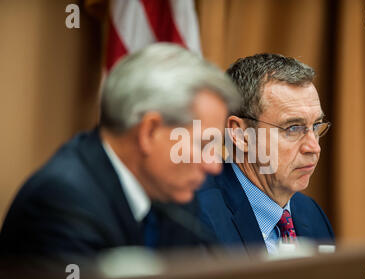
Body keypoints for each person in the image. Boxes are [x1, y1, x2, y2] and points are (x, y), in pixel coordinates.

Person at [0, 43, 240, 262]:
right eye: (203, 145)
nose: (214, 166)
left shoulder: (173, 193)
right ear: (149, 131)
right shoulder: (62, 202)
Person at [196, 53, 335, 256]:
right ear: (240, 134)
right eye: (293, 128)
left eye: (315, 126)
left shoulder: (311, 213)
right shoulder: (197, 218)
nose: (314, 147)